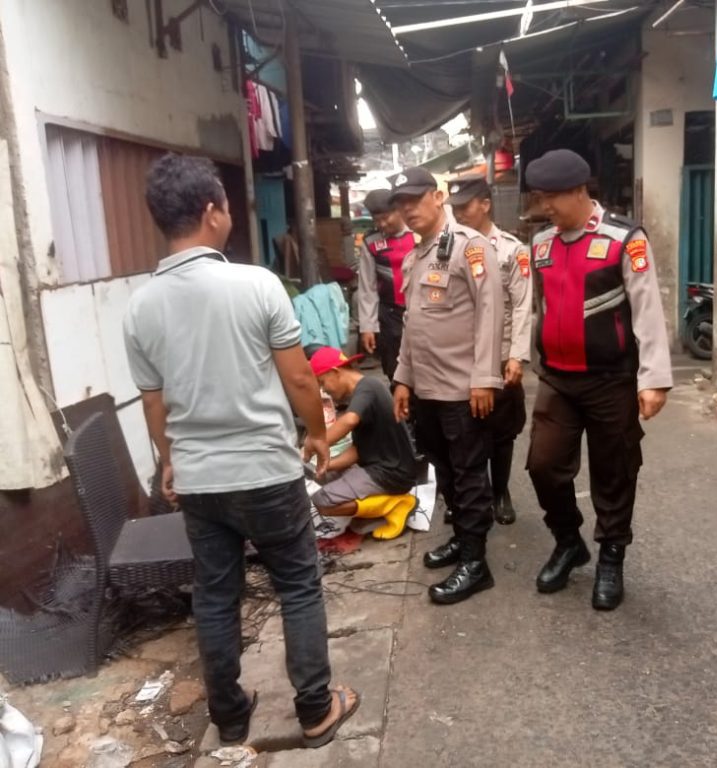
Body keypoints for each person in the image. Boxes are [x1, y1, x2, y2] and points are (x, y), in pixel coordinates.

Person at [123, 154, 359, 749]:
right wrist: (313, 434)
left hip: (201, 483)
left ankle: (230, 715)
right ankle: (315, 709)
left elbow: (155, 405)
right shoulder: (257, 284)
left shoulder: (140, 307)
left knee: (216, 595)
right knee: (299, 585)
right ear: (211, 212)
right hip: (265, 472)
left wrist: (170, 460)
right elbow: (302, 380)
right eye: (228, 205)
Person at [523, 149, 673, 611]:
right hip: (558, 379)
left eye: (552, 198)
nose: (545, 207)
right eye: (541, 198)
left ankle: (611, 555)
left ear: (579, 191)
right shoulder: (542, 245)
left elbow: (647, 309)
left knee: (614, 471)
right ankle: (569, 541)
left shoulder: (623, 239)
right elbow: (536, 308)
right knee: (543, 465)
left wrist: (654, 379)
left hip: (612, 379)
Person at [389, 166, 504, 605]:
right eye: (402, 203)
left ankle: (477, 564)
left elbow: (491, 314)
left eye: (415, 200)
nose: (407, 209)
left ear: (439, 198)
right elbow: (412, 325)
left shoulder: (470, 249)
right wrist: (403, 378)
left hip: (463, 390)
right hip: (426, 391)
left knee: (471, 475)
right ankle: (461, 537)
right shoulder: (414, 257)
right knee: (446, 472)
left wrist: (485, 379)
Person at [448, 174, 532, 525]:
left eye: (465, 206)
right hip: (460, 356)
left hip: (499, 357)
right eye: (455, 208)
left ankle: (500, 492)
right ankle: (470, 496)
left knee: (501, 431)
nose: (460, 213)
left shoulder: (512, 249)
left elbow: (523, 303)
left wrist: (517, 355)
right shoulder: (449, 246)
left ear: (485, 204)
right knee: (463, 431)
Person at [306, 346, 418, 539]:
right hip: (380, 467)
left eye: (322, 383)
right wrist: (325, 465)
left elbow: (349, 421)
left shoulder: (368, 386)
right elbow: (359, 451)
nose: (324, 390)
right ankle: (376, 507)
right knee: (322, 477)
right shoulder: (362, 394)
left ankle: (394, 505)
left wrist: (314, 443)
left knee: (321, 501)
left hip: (391, 474)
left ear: (335, 372)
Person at [357, 189, 417, 382]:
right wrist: (367, 327)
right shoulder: (371, 242)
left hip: (421, 310)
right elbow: (367, 288)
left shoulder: (419, 235)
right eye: (377, 220)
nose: (382, 224)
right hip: (390, 316)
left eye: (386, 218)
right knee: (395, 369)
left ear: (399, 210)